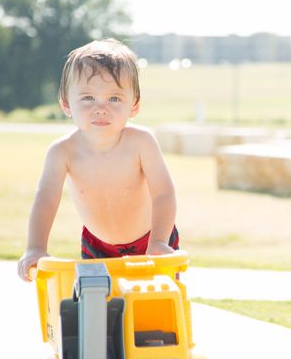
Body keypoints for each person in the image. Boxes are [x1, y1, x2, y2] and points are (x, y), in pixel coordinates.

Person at [17, 39, 178, 281]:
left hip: (152, 241)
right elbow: (46, 199)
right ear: (66, 103)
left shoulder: (141, 142)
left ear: (134, 106)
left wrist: (158, 241)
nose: (101, 108)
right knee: (98, 312)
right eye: (88, 98)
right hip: (97, 246)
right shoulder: (62, 151)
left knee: (156, 308)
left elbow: (163, 194)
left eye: (114, 99)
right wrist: (36, 248)